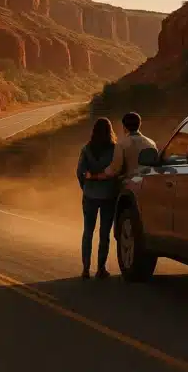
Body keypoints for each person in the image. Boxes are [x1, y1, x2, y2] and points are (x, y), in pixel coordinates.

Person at [76, 117, 120, 279]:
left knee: (88, 232)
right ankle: (101, 268)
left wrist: (86, 186)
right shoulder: (115, 149)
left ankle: (85, 269)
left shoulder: (87, 148)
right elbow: (118, 171)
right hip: (109, 195)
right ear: (110, 131)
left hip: (90, 195)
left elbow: (79, 172)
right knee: (104, 233)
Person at [88, 111, 158, 181]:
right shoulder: (151, 143)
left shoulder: (121, 144)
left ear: (124, 127)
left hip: (133, 183)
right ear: (139, 124)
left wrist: (95, 176)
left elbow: (114, 170)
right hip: (151, 181)